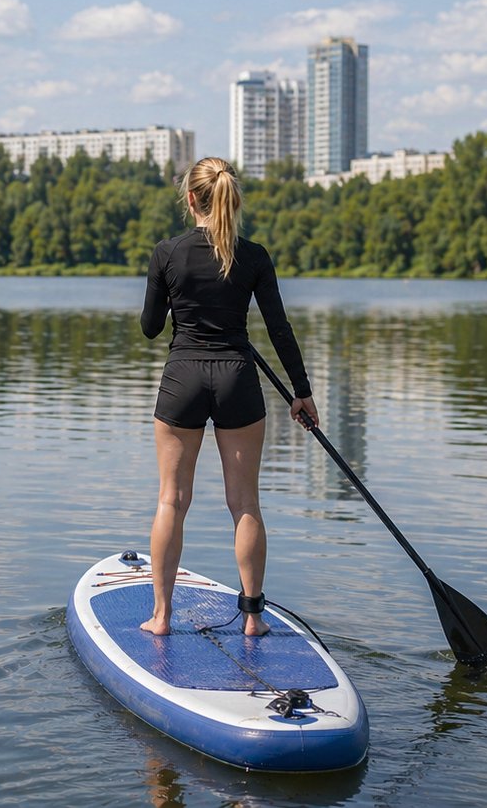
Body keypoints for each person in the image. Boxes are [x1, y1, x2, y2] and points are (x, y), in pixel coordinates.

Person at [138, 157, 318, 638]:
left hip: (184, 378)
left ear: (191, 198)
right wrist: (301, 393)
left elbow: (151, 329)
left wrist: (176, 297)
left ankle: (160, 617)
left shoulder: (166, 253)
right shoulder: (255, 256)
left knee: (172, 500)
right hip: (238, 378)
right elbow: (279, 328)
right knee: (244, 503)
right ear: (228, 199)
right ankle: (254, 618)